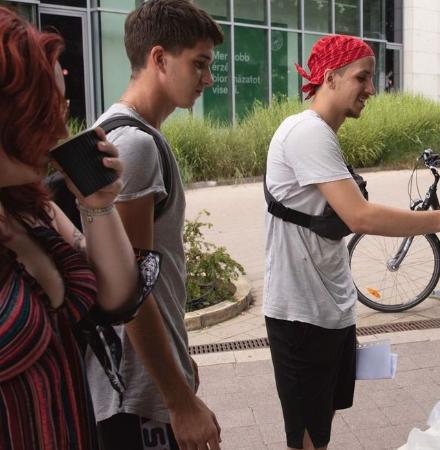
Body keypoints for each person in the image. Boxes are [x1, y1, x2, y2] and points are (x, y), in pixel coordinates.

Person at [264, 34, 440, 450]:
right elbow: (360, 217)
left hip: (329, 306)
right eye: (363, 77)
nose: (372, 89)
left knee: (320, 425)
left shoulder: (321, 133)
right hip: (300, 313)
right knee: (306, 433)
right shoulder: (306, 133)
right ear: (330, 77)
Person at [0, 8, 148, 448]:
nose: (61, 127)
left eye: (63, 105)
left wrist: (98, 204)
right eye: (44, 110)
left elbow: (116, 294)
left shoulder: (28, 204)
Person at [83, 1, 223, 449]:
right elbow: (130, 293)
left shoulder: (115, 129)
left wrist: (179, 360)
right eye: (198, 64)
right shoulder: (136, 144)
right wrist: (179, 399)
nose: (208, 78)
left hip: (137, 384)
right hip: (134, 395)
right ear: (159, 59)